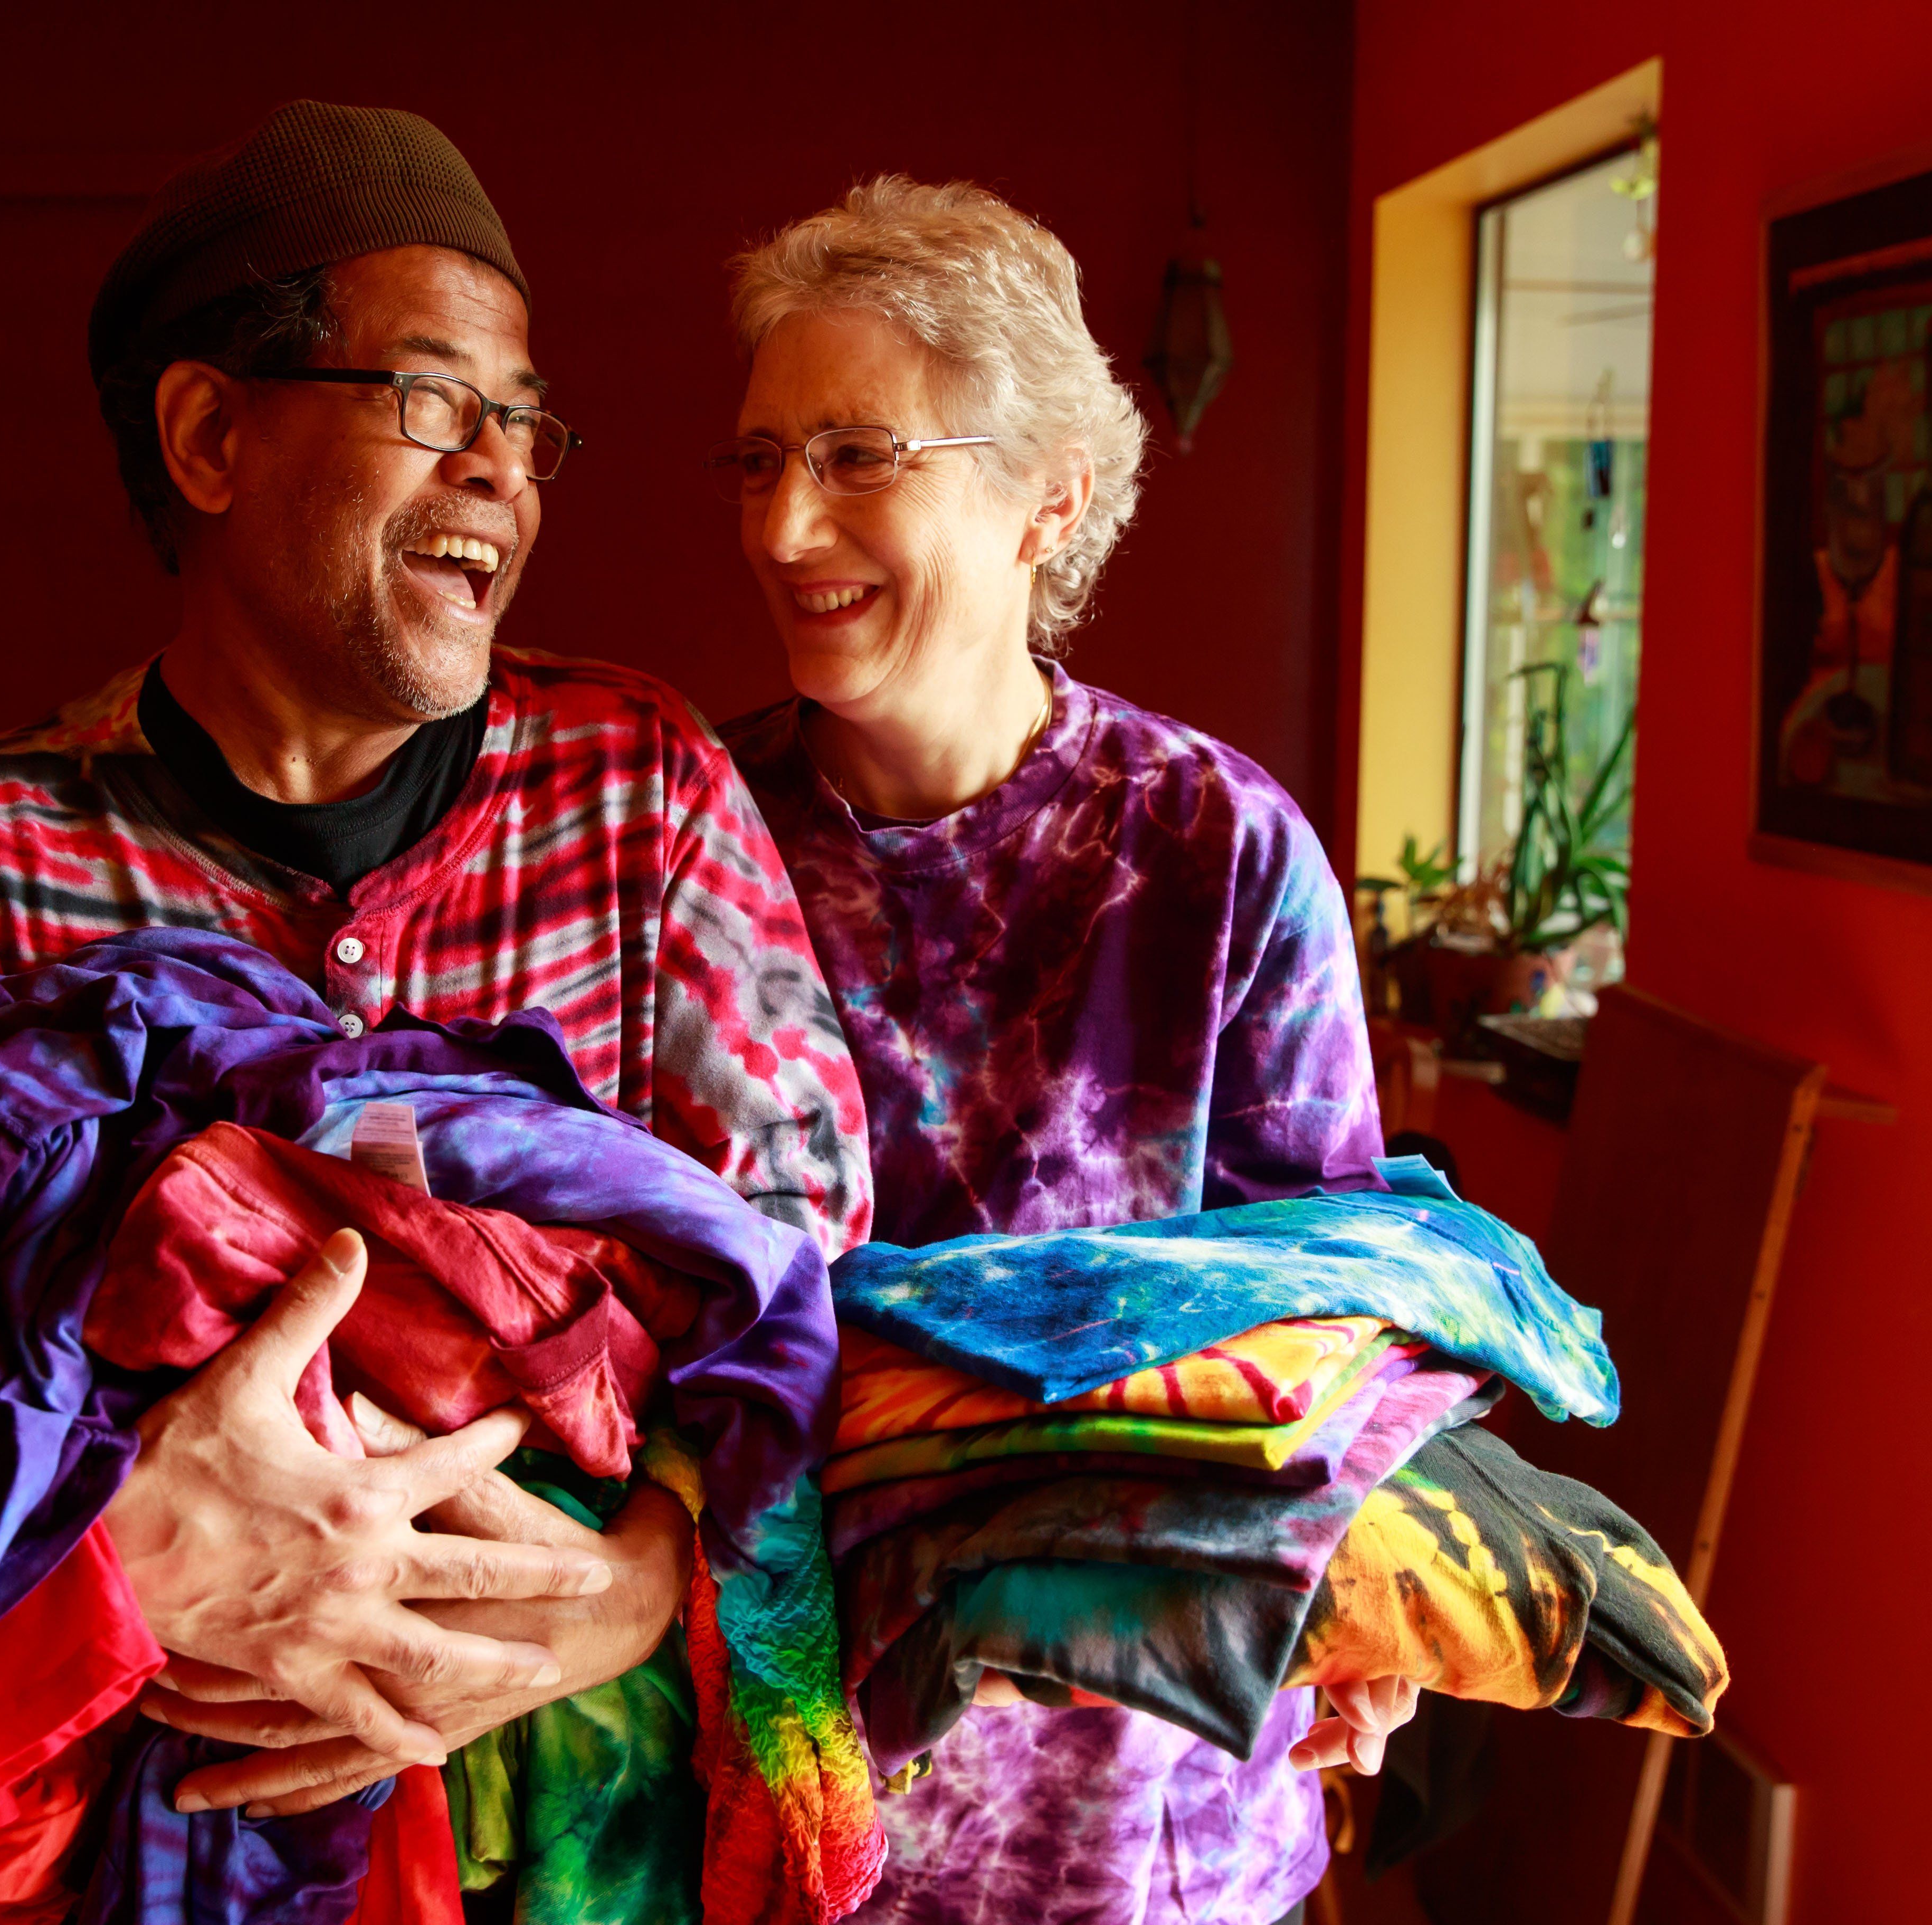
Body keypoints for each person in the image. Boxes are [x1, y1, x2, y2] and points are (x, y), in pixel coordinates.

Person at [0, 102, 870, 1815]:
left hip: (592, 1828)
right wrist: (112, 1529)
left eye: (522, 419)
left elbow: (812, 1253)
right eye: (431, 401)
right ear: (208, 436)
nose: (498, 467)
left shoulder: (632, 787)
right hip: (136, 1821)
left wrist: (638, 1583)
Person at [714, 178, 1415, 1925]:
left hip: (1131, 1833)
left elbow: (1331, 1336)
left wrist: (1373, 1583)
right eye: (759, 458)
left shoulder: (1214, 851)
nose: (787, 524)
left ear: (1050, 500)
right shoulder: (689, 838)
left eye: (862, 454)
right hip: (779, 1801)